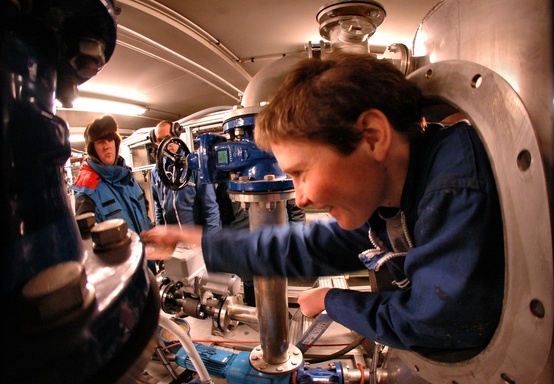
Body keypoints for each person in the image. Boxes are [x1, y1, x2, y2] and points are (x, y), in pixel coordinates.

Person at [141, 53, 504, 354]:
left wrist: (334, 300)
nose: (300, 198)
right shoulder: (390, 201)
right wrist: (199, 241)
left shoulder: (453, 186)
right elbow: (305, 246)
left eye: (302, 172)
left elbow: (436, 324)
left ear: (372, 136)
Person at [71, 115, 155, 270]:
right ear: (92, 149)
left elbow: (144, 214)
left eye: (110, 140)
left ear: (116, 144)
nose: (106, 146)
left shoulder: (128, 177)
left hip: (148, 262)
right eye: (100, 142)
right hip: (123, 274)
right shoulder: (87, 192)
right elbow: (90, 251)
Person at [150, 120, 221, 232]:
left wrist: (212, 241)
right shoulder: (156, 172)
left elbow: (210, 208)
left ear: (177, 135)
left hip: (195, 240)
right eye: (160, 140)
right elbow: (158, 207)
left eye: (168, 138)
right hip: (173, 242)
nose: (165, 143)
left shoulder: (196, 165)